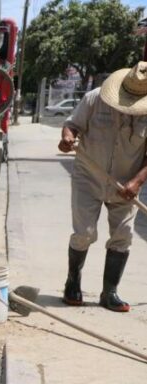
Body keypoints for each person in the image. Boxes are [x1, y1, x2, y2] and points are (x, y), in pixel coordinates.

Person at [58, 62, 147, 312]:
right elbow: (72, 124)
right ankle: (72, 283)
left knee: (122, 237)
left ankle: (110, 293)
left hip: (126, 185)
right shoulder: (94, 98)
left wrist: (137, 181)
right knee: (84, 233)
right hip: (89, 177)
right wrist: (67, 137)